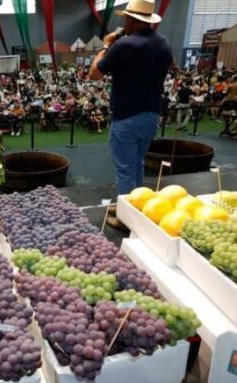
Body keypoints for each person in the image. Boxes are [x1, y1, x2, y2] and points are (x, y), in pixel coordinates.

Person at [89, 0, 172, 229]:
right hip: (151, 116)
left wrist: (106, 46)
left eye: (126, 17)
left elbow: (94, 74)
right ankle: (135, 206)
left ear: (131, 20)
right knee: (137, 165)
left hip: (126, 118)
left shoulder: (124, 45)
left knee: (125, 170)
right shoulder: (163, 42)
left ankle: (128, 220)